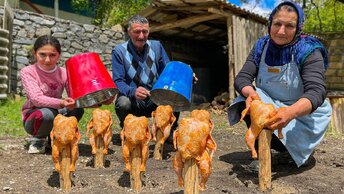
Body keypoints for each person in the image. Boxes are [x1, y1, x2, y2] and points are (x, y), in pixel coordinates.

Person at [227, 1, 332, 169]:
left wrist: (290, 113)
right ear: (270, 24)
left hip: (302, 115)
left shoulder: (309, 50)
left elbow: (316, 91)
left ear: (298, 27)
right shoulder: (262, 46)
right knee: (245, 100)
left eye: (289, 26)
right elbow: (242, 78)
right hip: (273, 105)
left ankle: (298, 150)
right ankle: (263, 151)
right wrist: (251, 94)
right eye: (277, 24)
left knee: (295, 149)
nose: (281, 31)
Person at [111, 14, 180, 129]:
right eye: (137, 32)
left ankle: (169, 131)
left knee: (174, 95)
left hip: (155, 98)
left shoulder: (157, 47)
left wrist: (186, 75)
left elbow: (168, 71)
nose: (141, 36)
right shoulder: (119, 51)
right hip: (133, 99)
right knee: (123, 103)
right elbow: (118, 81)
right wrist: (133, 91)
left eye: (145, 32)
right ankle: (128, 127)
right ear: (129, 32)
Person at [21, 35, 84, 154]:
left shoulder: (64, 73)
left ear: (58, 55)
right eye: (42, 54)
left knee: (77, 109)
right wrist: (61, 102)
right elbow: (36, 99)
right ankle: (38, 138)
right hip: (35, 116)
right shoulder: (28, 72)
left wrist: (98, 98)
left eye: (52, 55)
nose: (47, 60)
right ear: (35, 53)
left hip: (56, 111)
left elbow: (74, 95)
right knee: (47, 114)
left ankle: (58, 136)